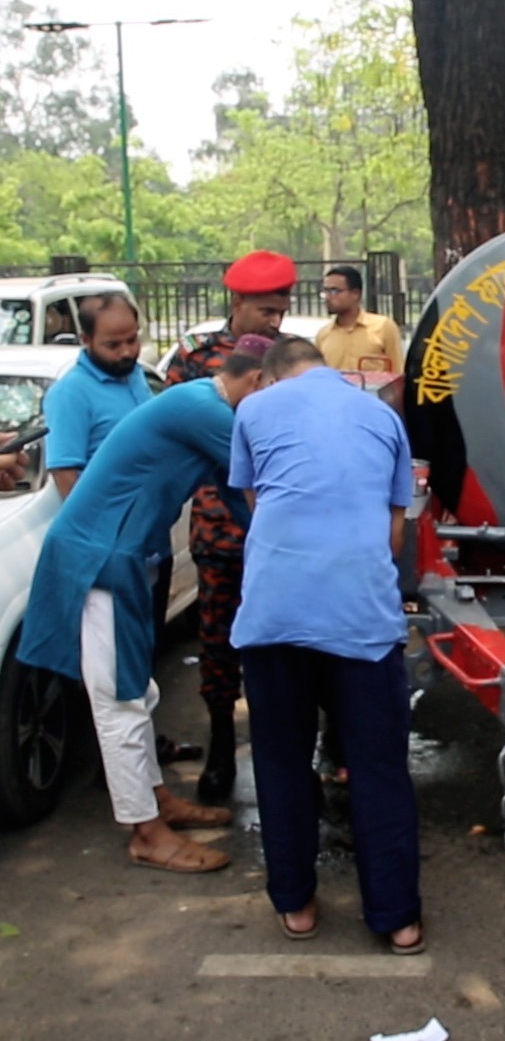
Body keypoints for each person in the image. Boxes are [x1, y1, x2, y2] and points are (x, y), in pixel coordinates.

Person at [17, 339, 269, 873]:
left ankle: (156, 800)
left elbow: (238, 497)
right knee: (119, 699)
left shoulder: (206, 405)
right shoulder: (204, 409)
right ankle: (146, 833)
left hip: (126, 555)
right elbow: (264, 477)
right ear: (257, 384)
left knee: (140, 688)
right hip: (101, 557)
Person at [230, 336, 422, 953]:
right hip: (360, 618)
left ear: (270, 377)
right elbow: (394, 534)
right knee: (378, 766)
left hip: (273, 616)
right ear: (330, 372)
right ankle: (397, 919)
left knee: (282, 760)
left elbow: (259, 506)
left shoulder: (252, 410)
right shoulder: (383, 417)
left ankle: (297, 905)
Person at [163, 250, 294, 802]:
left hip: (278, 524)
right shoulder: (196, 358)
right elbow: (175, 429)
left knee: (285, 643)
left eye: (282, 308)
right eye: (266, 309)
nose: (275, 320)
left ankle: (286, 753)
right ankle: (221, 747)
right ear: (237, 302)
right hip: (219, 526)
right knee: (218, 641)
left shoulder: (289, 359)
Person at [44, 291, 195, 764]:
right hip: (114, 553)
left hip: (149, 544)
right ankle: (117, 764)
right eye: (114, 344)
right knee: (115, 670)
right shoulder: (71, 393)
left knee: (144, 652)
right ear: (84, 339)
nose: (128, 352)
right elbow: (68, 477)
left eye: (133, 340)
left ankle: (145, 748)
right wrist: (110, 543)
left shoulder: (131, 378)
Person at [316, 264, 403, 372]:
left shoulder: (383, 327)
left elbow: (397, 373)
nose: (328, 297)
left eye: (335, 291)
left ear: (355, 294)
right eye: (325, 291)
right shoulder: (323, 335)